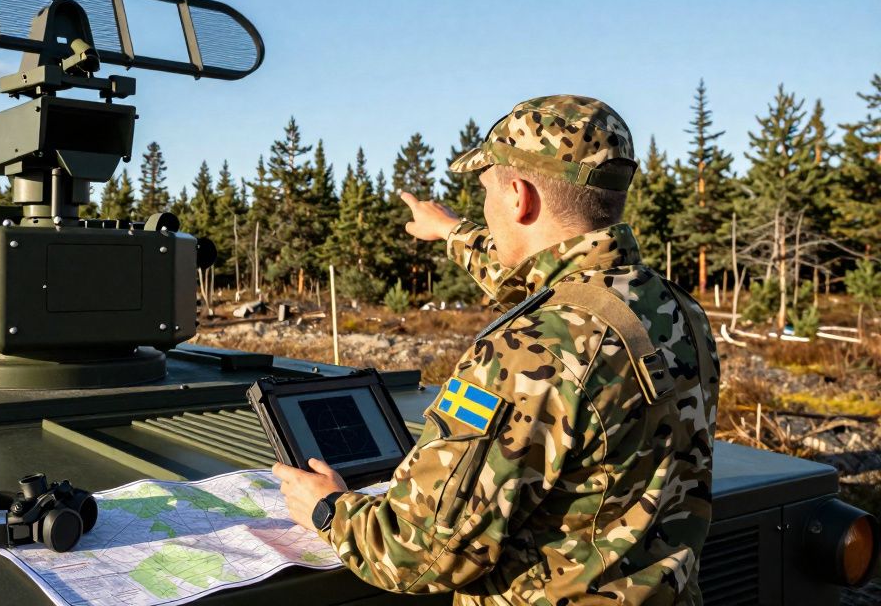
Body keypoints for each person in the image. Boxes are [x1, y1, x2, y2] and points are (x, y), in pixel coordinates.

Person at [272, 95, 719, 605]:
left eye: (486, 191)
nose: (483, 209)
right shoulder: (675, 308)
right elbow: (545, 278)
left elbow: (420, 554)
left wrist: (328, 509)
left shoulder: (528, 352)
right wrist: (449, 231)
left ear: (518, 198)